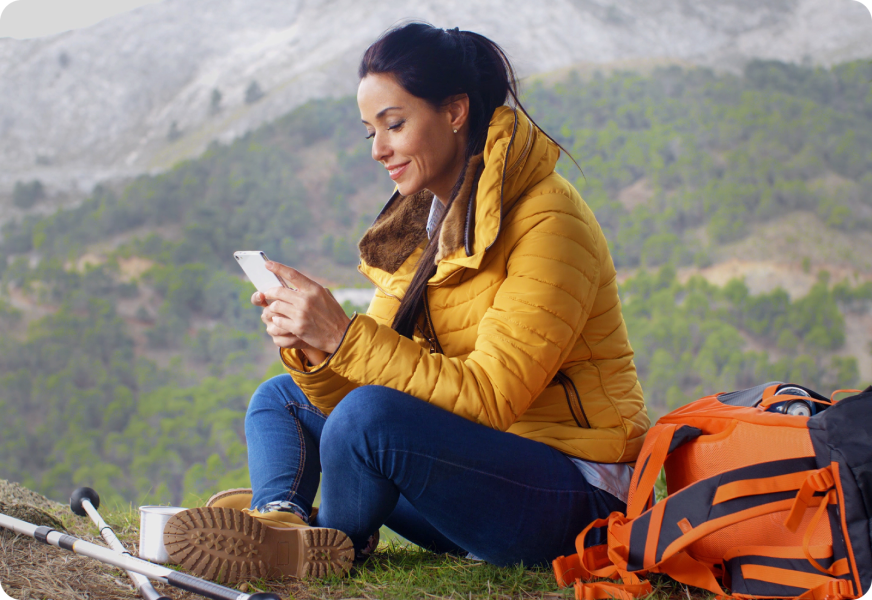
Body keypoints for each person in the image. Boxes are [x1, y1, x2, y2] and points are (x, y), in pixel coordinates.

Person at [163, 22, 649, 584]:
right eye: (369, 131)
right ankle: (284, 521)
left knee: (369, 420)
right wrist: (317, 349)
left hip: (571, 496)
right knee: (283, 397)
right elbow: (372, 376)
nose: (377, 150)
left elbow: (490, 397)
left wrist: (345, 338)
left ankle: (328, 545)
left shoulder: (548, 221)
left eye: (393, 125)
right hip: (473, 474)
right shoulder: (423, 224)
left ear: (454, 111)